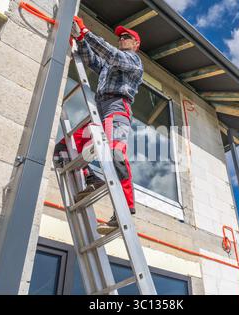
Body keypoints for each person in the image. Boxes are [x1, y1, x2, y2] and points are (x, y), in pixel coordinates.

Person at [56, 16, 144, 234]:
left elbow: (112, 55)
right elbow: (93, 60)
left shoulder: (132, 61)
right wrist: (80, 39)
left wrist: (85, 32)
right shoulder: (111, 65)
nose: (122, 39)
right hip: (100, 110)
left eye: (127, 37)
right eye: (121, 37)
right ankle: (91, 178)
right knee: (64, 149)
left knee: (116, 156)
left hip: (117, 109)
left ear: (135, 44)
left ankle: (125, 209)